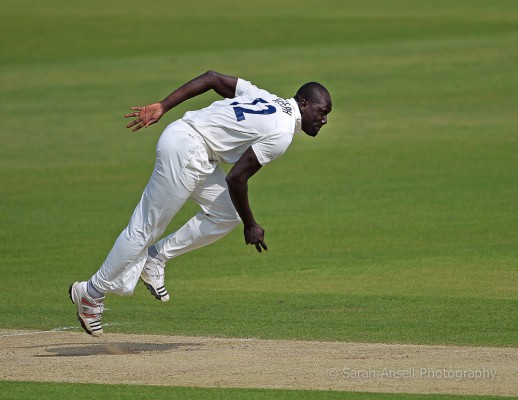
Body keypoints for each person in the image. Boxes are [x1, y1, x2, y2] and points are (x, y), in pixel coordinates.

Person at [69, 70, 332, 336]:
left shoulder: (264, 96)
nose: (324, 120)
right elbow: (237, 178)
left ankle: (155, 258)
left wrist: (164, 105)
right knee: (143, 229)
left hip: (195, 148)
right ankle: (91, 293)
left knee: (226, 214)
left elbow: (212, 78)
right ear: (303, 104)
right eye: (321, 112)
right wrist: (251, 224)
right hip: (188, 151)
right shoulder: (282, 133)